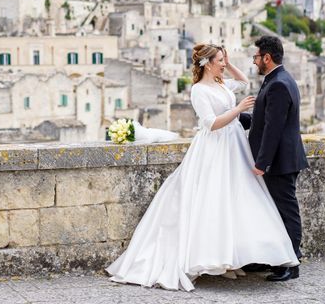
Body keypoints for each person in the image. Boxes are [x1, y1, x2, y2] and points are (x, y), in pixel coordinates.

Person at [106, 43, 299, 291]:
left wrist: (229, 64)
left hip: (233, 145)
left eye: (223, 60)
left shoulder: (221, 83)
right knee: (211, 200)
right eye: (219, 60)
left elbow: (242, 84)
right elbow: (210, 124)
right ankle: (210, 256)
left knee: (238, 198)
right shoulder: (199, 90)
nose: (222, 63)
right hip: (215, 146)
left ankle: (239, 255)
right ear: (207, 63)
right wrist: (237, 109)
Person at [248, 36, 309, 281]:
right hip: (281, 159)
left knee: (286, 211)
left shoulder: (278, 84)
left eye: (256, 57)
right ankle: (277, 259)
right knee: (276, 210)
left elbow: (274, 129)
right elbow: (264, 120)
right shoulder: (277, 80)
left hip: (280, 162)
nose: (254, 62)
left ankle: (292, 264)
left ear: (267, 57)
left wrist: (262, 163)